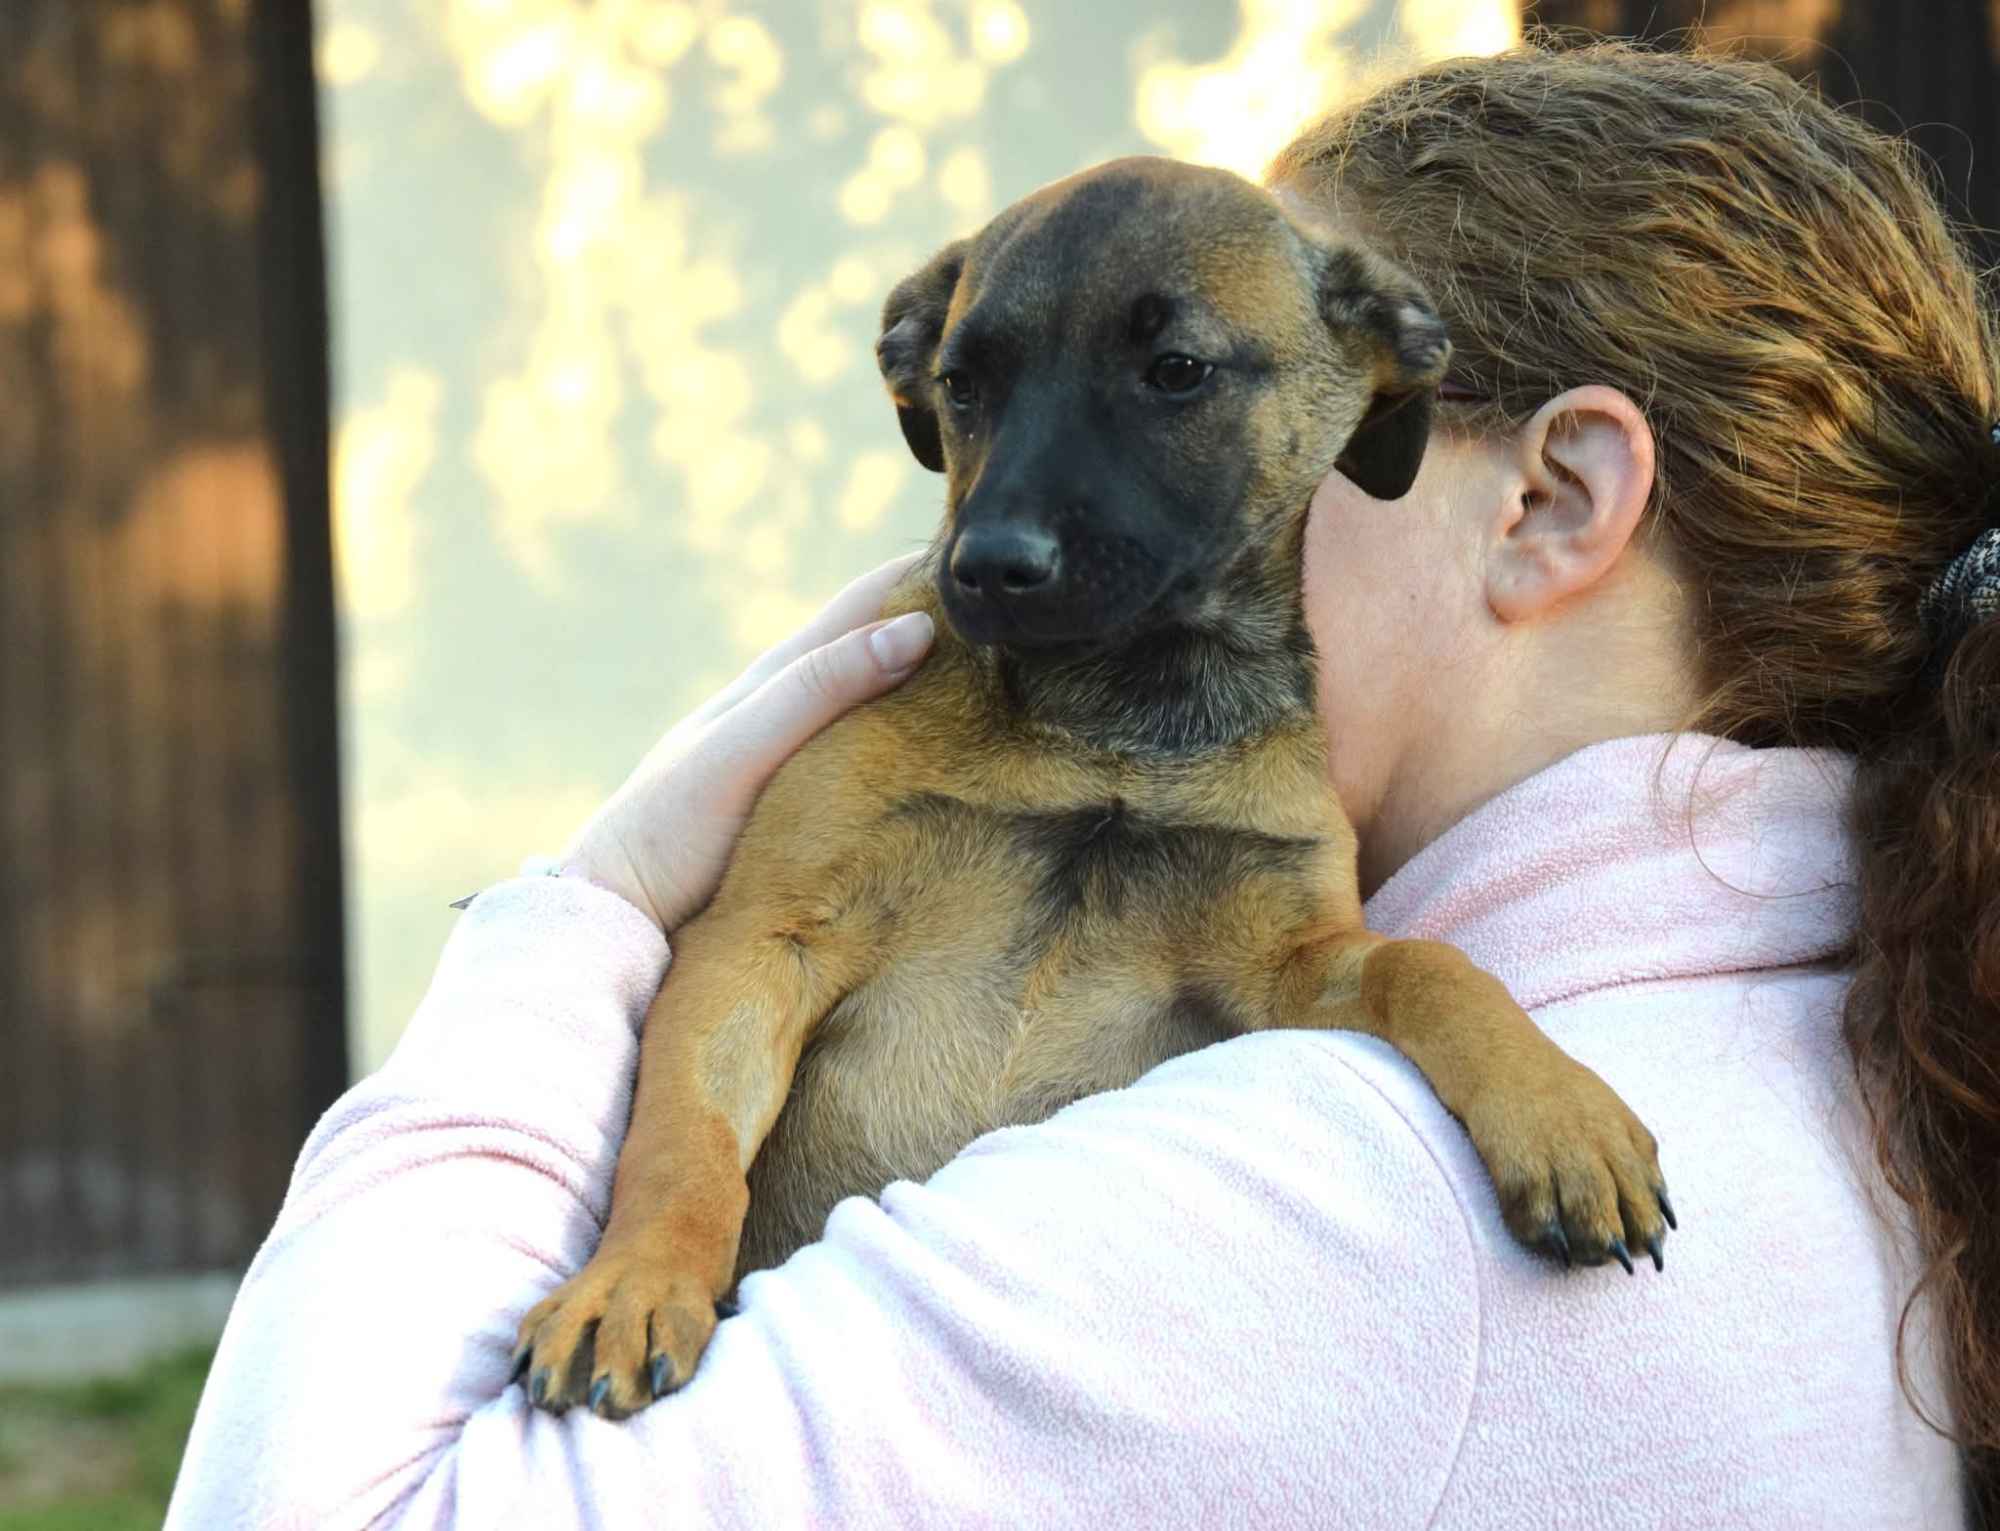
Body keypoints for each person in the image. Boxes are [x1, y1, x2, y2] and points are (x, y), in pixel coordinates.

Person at [165, 39, 1994, 1528]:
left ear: (1551, 498)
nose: (1020, 507)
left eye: (1186, 379)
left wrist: (567, 918)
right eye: (976, 403)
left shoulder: (1346, 1203)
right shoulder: (1862, 1071)